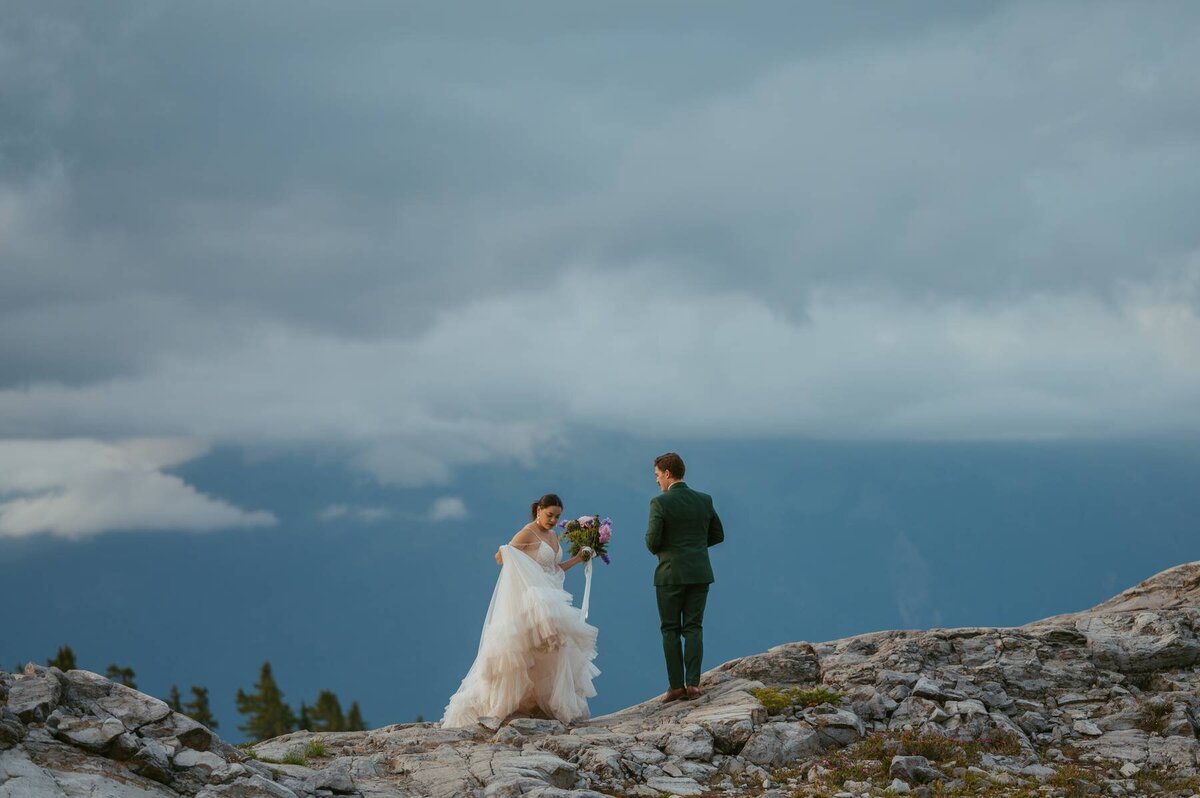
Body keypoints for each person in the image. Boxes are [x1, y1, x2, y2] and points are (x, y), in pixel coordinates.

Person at [442, 494, 600, 727]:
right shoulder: (527, 533)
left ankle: (542, 706)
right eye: (549, 515)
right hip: (531, 601)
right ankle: (502, 708)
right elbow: (500, 558)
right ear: (539, 510)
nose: (553, 520)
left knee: (552, 653)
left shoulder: (553, 535)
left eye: (557, 517)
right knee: (521, 655)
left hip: (551, 601)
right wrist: (511, 553)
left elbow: (554, 569)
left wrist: (578, 558)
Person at [645, 452, 724, 703]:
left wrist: (671, 549)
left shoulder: (659, 503)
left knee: (670, 629)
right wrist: (695, 547)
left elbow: (652, 542)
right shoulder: (704, 499)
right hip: (700, 573)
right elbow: (718, 535)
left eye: (657, 475)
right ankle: (693, 685)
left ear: (667, 473)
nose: (657, 480)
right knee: (694, 627)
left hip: (670, 574)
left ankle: (676, 687)